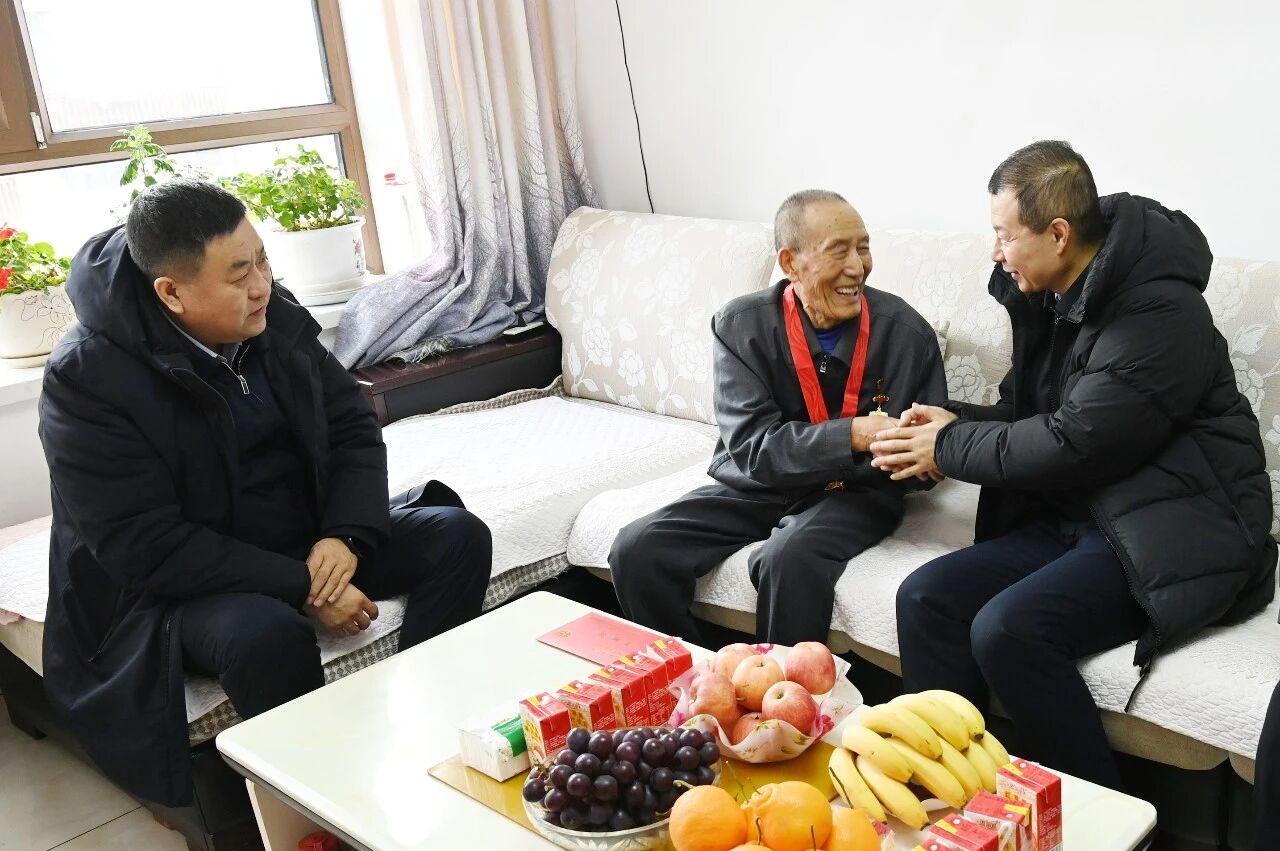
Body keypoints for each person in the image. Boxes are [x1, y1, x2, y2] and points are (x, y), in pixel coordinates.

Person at [39, 180, 493, 807]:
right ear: (171, 293)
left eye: (262, 260)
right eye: (238, 274)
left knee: (455, 536)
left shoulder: (268, 312)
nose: (262, 286)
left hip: (298, 536)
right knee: (265, 634)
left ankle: (430, 731)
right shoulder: (86, 378)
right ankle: (330, 798)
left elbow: (351, 425)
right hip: (178, 586)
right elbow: (144, 545)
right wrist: (302, 584)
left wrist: (344, 536)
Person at [873, 141, 1276, 789]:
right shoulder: (1055, 298)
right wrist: (948, 421)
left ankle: (1102, 821)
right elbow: (1031, 415)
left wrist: (948, 447)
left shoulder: (1160, 313)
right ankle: (963, 803)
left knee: (1009, 629)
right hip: (1084, 513)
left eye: (1005, 234)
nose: (996, 252)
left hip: (1176, 531)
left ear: (1058, 234)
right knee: (926, 598)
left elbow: (1077, 441)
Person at [610, 190, 948, 646]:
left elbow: (925, 458)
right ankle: (694, 676)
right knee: (637, 549)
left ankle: (785, 688)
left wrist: (923, 460)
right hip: (759, 485)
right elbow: (753, 448)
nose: (857, 267)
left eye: (863, 247)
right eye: (839, 250)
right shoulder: (740, 326)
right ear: (791, 262)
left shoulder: (906, 334)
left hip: (853, 492)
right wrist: (854, 434)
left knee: (788, 560)